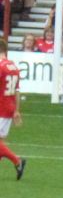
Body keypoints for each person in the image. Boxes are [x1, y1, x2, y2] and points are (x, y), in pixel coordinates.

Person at [0, 40, 25, 180]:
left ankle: (17, 161)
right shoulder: (13, 67)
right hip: (8, 107)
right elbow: (17, 90)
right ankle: (17, 162)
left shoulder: (1, 66)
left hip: (1, 107)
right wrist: (16, 110)